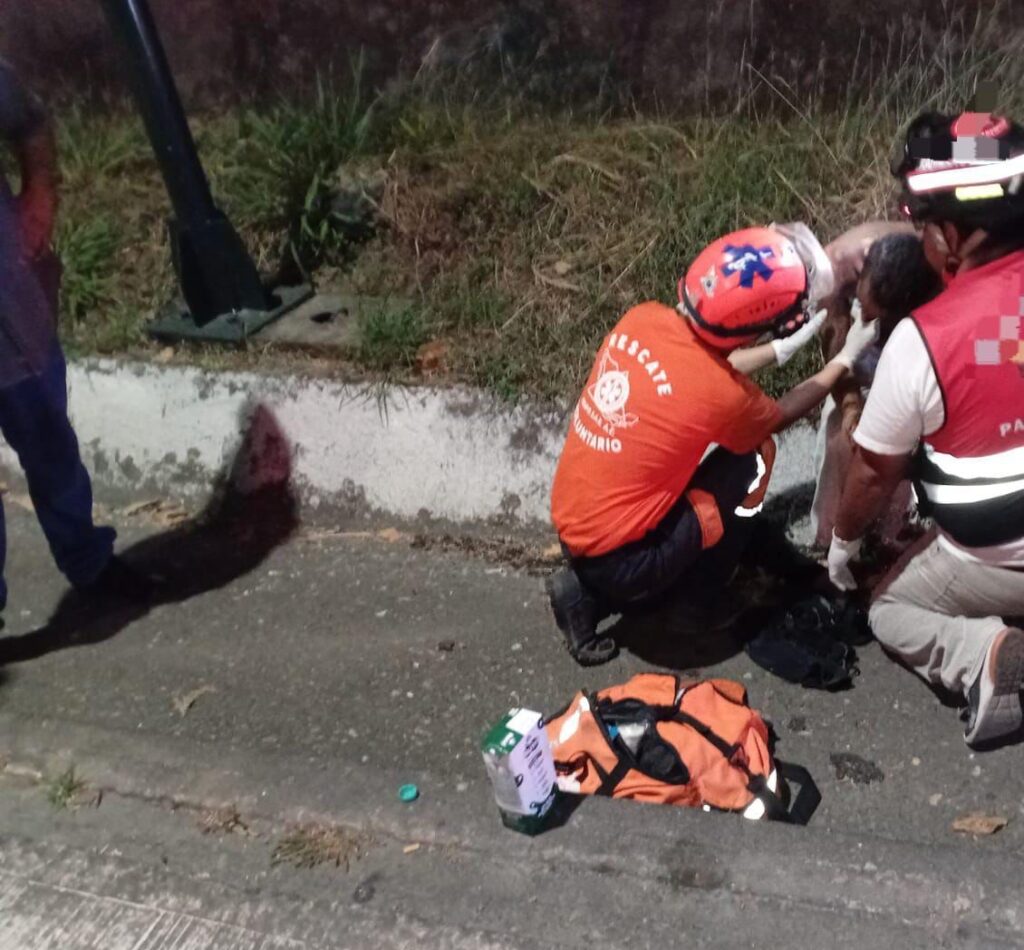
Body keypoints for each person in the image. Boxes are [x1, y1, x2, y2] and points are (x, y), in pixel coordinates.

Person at [546, 222, 879, 665]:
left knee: (703, 475)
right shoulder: (719, 395)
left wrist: (777, 351)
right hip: (627, 560)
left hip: (580, 523)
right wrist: (844, 360)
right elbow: (777, 415)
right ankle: (693, 600)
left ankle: (582, 589)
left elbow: (700, 365)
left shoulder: (643, 319)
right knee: (751, 460)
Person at [829, 108, 1024, 748]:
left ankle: (982, 655)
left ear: (955, 235)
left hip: (997, 554)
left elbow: (872, 471)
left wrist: (842, 548)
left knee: (891, 610)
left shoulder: (925, 342)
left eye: (923, 225)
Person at [0, 59, 151, 625]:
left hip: (9, 298)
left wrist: (38, 200)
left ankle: (88, 562)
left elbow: (28, 123)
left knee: (48, 435)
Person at [810, 233, 943, 551]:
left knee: (898, 449)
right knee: (838, 435)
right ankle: (828, 537)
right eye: (863, 308)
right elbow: (837, 356)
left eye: (877, 317)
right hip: (859, 372)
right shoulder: (835, 273)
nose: (866, 320)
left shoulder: (944, 290)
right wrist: (851, 406)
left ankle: (891, 533)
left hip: (917, 368)